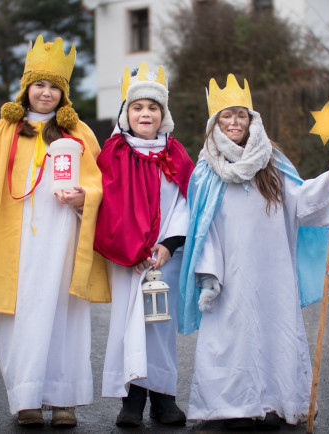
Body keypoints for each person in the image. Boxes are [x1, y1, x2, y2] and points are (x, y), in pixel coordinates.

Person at [0, 35, 109, 428]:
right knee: (17, 316)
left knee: (65, 314)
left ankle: (65, 400)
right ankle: (26, 398)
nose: (46, 93)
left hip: (63, 238)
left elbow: (101, 183)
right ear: (26, 88)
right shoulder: (4, 131)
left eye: (54, 87)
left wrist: (84, 197)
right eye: (39, 85)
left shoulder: (79, 133)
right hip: (15, 240)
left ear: (64, 94)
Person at [178, 74, 329, 429]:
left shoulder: (272, 162)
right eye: (226, 116)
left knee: (276, 332)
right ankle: (232, 407)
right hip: (230, 273)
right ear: (214, 122)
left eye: (241, 115)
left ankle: (275, 401)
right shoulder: (205, 171)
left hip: (273, 270)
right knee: (231, 335)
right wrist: (209, 274)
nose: (234, 122)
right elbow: (202, 227)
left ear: (251, 119)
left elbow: (301, 201)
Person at [93, 62, 195, 427]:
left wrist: (169, 244)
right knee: (129, 326)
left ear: (163, 114)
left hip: (166, 257)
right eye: (138, 107)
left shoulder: (176, 153)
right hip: (129, 258)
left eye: (153, 107)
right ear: (127, 113)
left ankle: (164, 400)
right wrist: (131, 250)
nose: (145, 113)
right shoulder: (113, 153)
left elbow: (187, 201)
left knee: (160, 328)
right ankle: (132, 402)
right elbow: (109, 203)